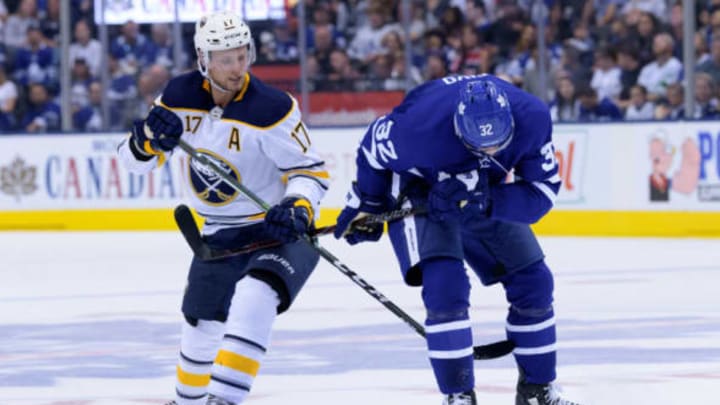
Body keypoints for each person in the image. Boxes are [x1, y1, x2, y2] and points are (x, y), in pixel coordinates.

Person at [117, 11, 329, 405]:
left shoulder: (272, 107)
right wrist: (147, 139)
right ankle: (187, 401)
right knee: (200, 325)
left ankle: (227, 399)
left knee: (255, 294)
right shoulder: (179, 96)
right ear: (204, 59)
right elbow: (130, 162)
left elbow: (310, 172)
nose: (236, 68)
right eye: (225, 59)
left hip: (277, 230)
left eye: (241, 55)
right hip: (218, 233)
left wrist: (298, 206)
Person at [333, 74, 580, 405]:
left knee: (534, 283)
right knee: (445, 291)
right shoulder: (418, 130)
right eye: (479, 144)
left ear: (510, 120)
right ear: (458, 126)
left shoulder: (531, 116)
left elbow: (542, 192)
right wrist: (372, 202)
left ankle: (537, 391)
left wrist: (488, 200)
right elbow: (372, 149)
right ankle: (459, 396)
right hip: (423, 194)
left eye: (498, 143)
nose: (490, 150)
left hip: (483, 192)